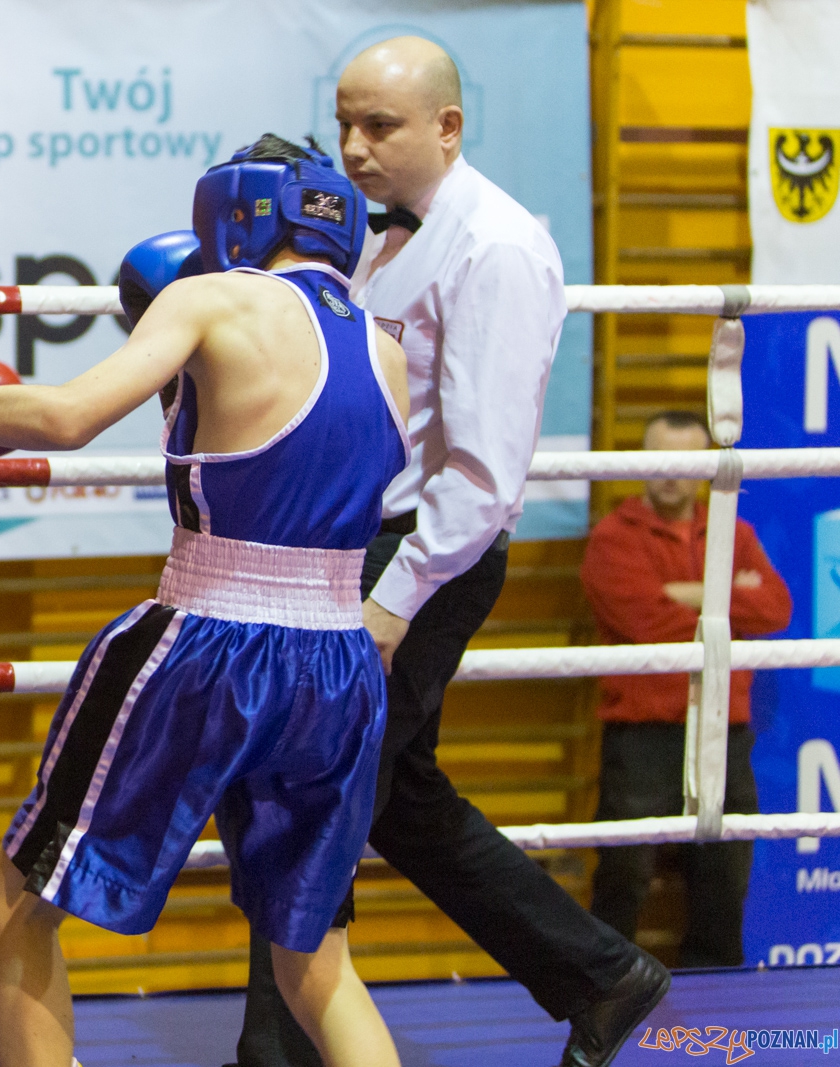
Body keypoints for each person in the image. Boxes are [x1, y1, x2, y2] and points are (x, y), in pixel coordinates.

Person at [0, 134, 412, 1067]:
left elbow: (65, 417)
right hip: (338, 660)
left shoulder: (210, 298)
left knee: (9, 896)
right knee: (315, 960)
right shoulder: (383, 346)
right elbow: (267, 452)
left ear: (240, 210)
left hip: (210, 641)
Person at [226, 37, 670, 1067]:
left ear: (446, 127)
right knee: (397, 798)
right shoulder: (369, 239)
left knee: (306, 802)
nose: (352, 146)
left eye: (376, 125)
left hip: (422, 555)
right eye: (342, 123)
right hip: (349, 548)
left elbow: (482, 471)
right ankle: (599, 972)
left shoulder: (498, 247)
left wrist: (392, 600)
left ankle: (270, 1054)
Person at [579, 410, 791, 967]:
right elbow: (641, 622)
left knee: (725, 872)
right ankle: (602, 986)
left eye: (684, 461)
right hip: (642, 729)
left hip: (724, 727)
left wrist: (684, 593)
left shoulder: (734, 532)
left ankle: (718, 991)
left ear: (704, 469)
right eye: (659, 460)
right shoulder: (611, 536)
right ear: (641, 463)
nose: (670, 474)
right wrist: (722, 598)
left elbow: (776, 608)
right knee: (625, 873)